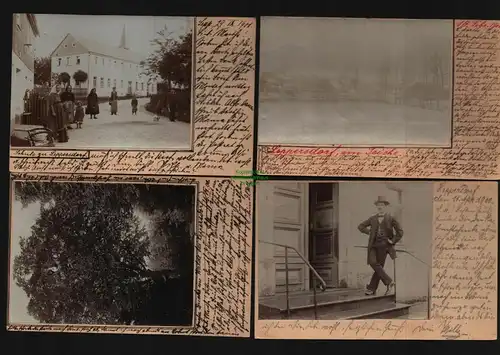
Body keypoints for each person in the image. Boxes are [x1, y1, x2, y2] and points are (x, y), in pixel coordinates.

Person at [357, 196, 403, 296]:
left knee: (379, 268)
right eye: (378, 205)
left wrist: (393, 241)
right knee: (373, 263)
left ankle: (371, 288)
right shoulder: (373, 218)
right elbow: (360, 226)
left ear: (385, 206)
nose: (380, 207)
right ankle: (389, 282)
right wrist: (369, 232)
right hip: (373, 245)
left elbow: (400, 232)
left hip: (384, 247)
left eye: (382, 205)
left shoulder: (391, 218)